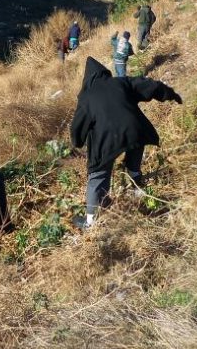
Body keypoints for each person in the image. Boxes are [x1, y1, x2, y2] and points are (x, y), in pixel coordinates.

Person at [70, 57, 182, 228]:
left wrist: (77, 142)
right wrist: (170, 93)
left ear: (88, 78)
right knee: (133, 159)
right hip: (136, 130)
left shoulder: (87, 96)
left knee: (98, 174)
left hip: (108, 139)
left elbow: (78, 128)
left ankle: (91, 222)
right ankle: (137, 192)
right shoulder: (120, 82)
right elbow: (149, 85)